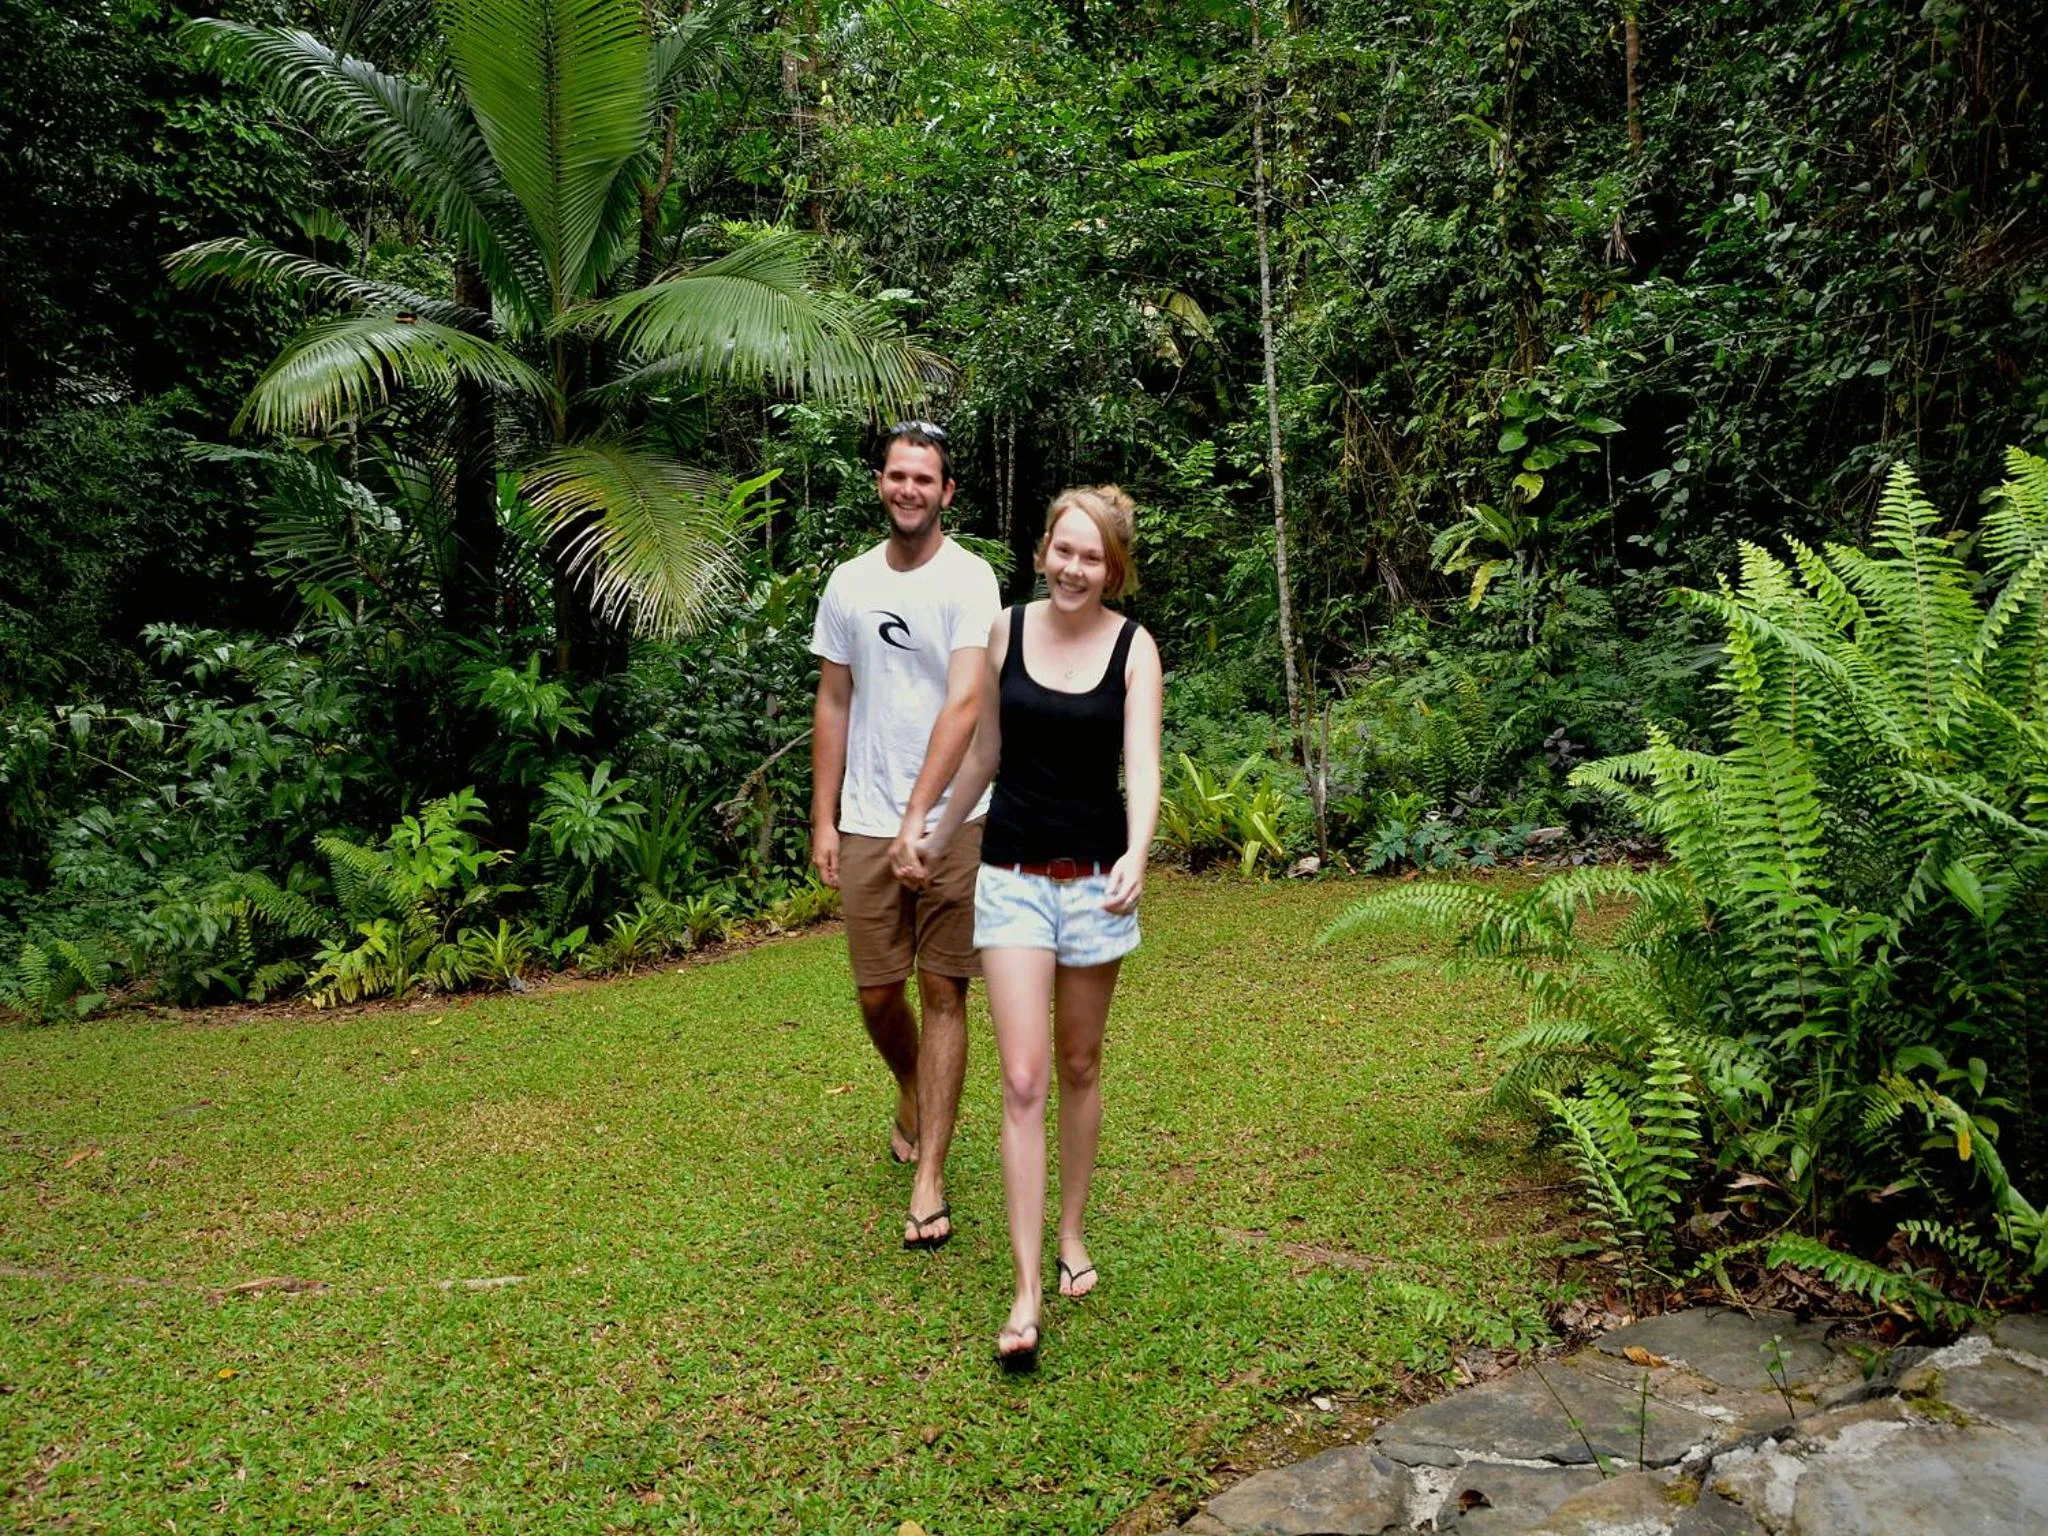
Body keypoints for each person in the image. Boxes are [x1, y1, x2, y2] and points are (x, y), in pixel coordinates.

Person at [908, 485, 1163, 1371]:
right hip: (1011, 877)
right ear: (1043, 549)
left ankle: (1073, 1231)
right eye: (1064, 549)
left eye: (1092, 557)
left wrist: (1138, 851)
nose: (1074, 568)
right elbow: (984, 753)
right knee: (1022, 1077)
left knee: (1080, 1064)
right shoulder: (1006, 630)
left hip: (1096, 884)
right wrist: (934, 834)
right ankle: (1023, 1291)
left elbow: (1143, 762)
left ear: (1112, 568)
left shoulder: (1135, 648)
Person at [810, 422, 1001, 1252]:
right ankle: (911, 1089)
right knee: (877, 993)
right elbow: (834, 701)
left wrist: (922, 820)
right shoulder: (848, 584)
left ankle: (930, 1176)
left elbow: (965, 703)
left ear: (947, 492)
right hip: (863, 817)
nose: (910, 489)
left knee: (944, 989)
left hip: (958, 815)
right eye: (897, 476)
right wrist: (825, 816)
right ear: (881, 483)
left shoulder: (971, 580)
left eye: (926, 478)